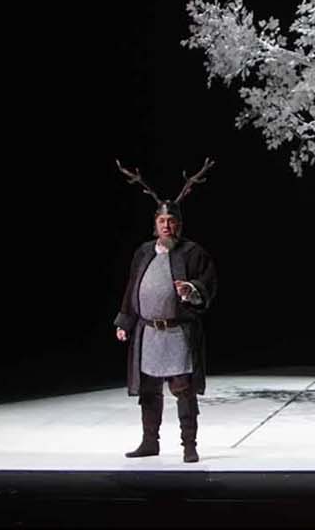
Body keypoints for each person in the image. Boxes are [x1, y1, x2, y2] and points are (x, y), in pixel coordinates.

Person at [113, 159, 218, 463]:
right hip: (148, 332)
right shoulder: (144, 251)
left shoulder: (192, 252)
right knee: (149, 391)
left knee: (183, 390)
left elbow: (208, 284)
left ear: (179, 224)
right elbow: (133, 289)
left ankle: (189, 445)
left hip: (177, 333)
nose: (167, 226)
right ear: (155, 224)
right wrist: (125, 321)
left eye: (172, 221)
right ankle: (150, 442)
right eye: (162, 222)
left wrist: (192, 290)